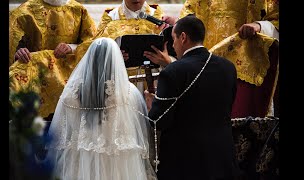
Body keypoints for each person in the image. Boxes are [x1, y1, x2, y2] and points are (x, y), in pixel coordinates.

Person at [45, 37, 157, 180]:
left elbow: (62, 132)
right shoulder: (128, 92)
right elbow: (135, 128)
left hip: (80, 161)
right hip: (117, 161)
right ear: (115, 61)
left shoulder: (71, 93)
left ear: (89, 59)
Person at [145, 15, 240, 180]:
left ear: (183, 37)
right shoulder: (228, 67)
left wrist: (151, 105)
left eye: (173, 39)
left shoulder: (172, 72)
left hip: (186, 161)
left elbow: (159, 121)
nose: (173, 45)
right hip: (222, 154)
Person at [147, 0, 279, 118]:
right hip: (203, 68)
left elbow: (275, 18)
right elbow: (191, 18)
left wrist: (259, 25)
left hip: (244, 69)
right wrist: (178, 24)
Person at [9, 0, 97, 119]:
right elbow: (13, 43)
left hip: (69, 80)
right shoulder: (25, 11)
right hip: (35, 79)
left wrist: (71, 47)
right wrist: (18, 52)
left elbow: (91, 44)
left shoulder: (79, 10)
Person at [74, 0, 166, 94]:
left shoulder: (157, 15)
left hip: (154, 78)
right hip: (121, 78)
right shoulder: (111, 16)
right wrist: (113, 55)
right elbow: (97, 48)